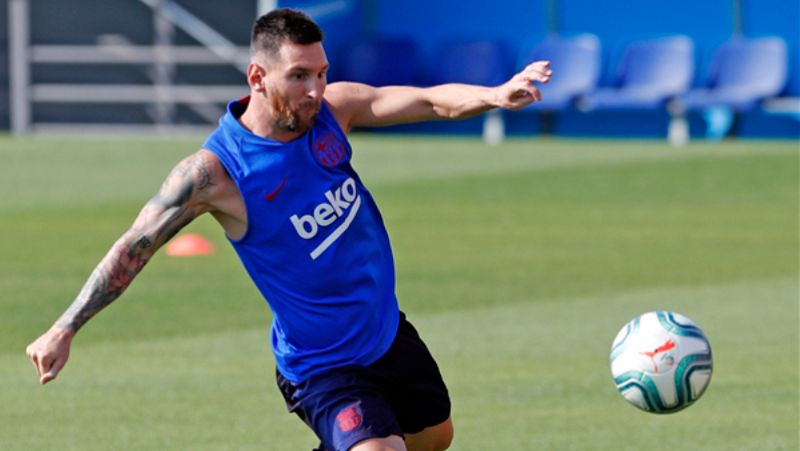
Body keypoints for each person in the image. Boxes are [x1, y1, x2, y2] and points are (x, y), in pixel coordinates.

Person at [25, 8, 551, 451]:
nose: (315, 89)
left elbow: (428, 100)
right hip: (321, 364)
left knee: (434, 438)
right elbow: (133, 247)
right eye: (299, 76)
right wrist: (64, 328)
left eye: (321, 73)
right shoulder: (214, 174)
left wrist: (495, 94)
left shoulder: (333, 112)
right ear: (257, 77)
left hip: (386, 332)